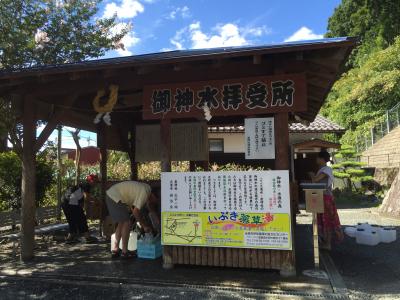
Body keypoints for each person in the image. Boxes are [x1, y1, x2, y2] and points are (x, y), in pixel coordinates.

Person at [105, 181, 160, 259]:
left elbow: (135, 205)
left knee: (121, 223)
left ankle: (115, 249)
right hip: (115, 197)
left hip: (112, 195)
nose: (153, 202)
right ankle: (124, 252)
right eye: (155, 201)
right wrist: (144, 226)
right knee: (127, 222)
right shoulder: (145, 192)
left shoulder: (146, 188)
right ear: (154, 196)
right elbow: (136, 212)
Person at [309, 150, 343, 250]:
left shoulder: (326, 169)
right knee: (323, 220)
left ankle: (328, 244)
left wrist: (311, 175)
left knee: (326, 220)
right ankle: (325, 242)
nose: (316, 159)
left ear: (321, 159)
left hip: (325, 198)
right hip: (322, 197)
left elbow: (315, 180)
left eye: (317, 158)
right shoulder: (323, 169)